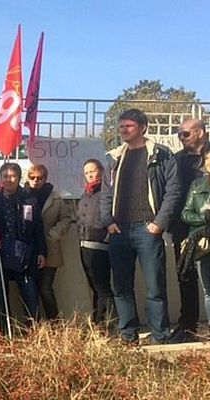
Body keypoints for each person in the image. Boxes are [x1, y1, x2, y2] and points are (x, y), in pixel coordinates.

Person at [100, 108, 180, 344]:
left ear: (143, 127)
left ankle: (159, 336)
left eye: (129, 126)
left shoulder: (161, 155)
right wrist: (108, 222)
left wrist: (159, 224)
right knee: (121, 287)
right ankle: (128, 335)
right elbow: (106, 193)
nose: (123, 130)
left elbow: (173, 192)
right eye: (121, 126)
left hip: (148, 229)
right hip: (119, 230)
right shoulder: (114, 157)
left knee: (155, 286)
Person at [0, 163, 46, 334]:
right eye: (5, 176)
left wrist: (42, 252)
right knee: (1, 296)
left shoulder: (29, 199)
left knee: (30, 295)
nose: (9, 179)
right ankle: (5, 333)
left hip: (24, 254)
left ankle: (34, 332)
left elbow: (37, 228)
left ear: (19, 178)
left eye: (13, 176)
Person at [168, 119, 208, 343]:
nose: (180, 138)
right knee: (185, 276)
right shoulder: (178, 159)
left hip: (208, 227)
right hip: (184, 227)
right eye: (178, 134)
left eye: (184, 134)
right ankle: (188, 326)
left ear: (200, 132)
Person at [24, 164, 72, 320]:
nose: (36, 181)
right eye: (32, 178)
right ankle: (33, 326)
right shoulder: (22, 195)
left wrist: (54, 233)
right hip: (28, 247)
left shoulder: (55, 197)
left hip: (50, 248)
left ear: (45, 178)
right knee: (29, 289)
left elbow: (66, 219)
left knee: (45, 288)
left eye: (40, 178)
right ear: (27, 178)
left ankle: (55, 325)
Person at [76, 159, 115, 325]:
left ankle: (119, 322)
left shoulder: (107, 192)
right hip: (85, 245)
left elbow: (112, 217)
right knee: (95, 288)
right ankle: (97, 322)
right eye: (86, 172)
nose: (90, 175)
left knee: (103, 288)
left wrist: (106, 238)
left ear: (101, 171)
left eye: (93, 171)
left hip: (100, 246)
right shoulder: (86, 193)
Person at [180, 145, 210, 337]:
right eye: (208, 159)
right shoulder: (197, 185)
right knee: (208, 290)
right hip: (203, 242)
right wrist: (205, 218)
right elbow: (185, 214)